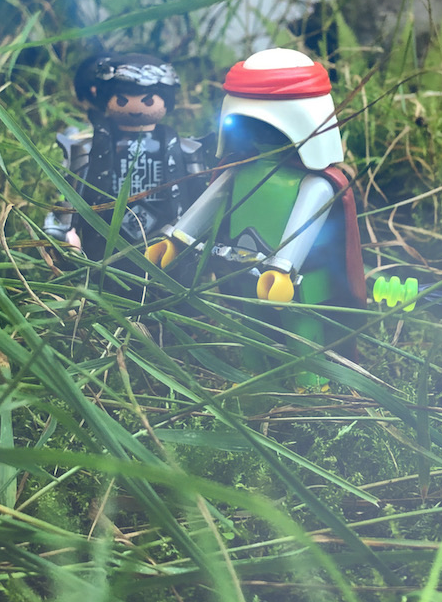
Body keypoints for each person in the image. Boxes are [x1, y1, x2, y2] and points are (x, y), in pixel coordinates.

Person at [144, 48, 365, 389]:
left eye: (269, 126)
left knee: (301, 329)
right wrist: (176, 241)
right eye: (250, 124)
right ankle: (252, 376)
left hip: (297, 279)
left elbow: (303, 228)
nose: (259, 133)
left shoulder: (316, 184)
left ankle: (310, 383)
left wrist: (283, 269)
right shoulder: (238, 170)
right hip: (243, 267)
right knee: (249, 324)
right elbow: (208, 206)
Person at [45, 53, 207, 262]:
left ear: (166, 101)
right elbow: (73, 193)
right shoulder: (89, 148)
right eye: (122, 100)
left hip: (165, 239)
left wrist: (200, 234)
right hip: (103, 237)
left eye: (148, 101)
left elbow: (200, 196)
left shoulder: (185, 149)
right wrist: (67, 230)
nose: (136, 108)